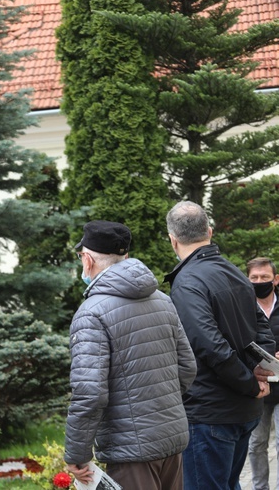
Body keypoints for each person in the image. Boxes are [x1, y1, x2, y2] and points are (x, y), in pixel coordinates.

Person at [64, 220, 197, 490]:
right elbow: (187, 367)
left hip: (130, 451)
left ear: (87, 259)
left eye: (81, 257)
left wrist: (76, 454)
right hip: (170, 439)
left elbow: (89, 393)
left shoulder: (91, 312)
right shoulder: (162, 299)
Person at [163, 201, 274, 489]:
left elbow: (209, 345)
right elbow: (262, 327)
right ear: (209, 232)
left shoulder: (187, 282)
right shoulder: (235, 271)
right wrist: (259, 371)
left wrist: (251, 382)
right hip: (240, 409)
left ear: (172, 240)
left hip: (210, 414)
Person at [246, 257, 279, 490]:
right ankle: (260, 488)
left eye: (264, 277)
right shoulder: (242, 308)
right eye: (254, 278)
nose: (259, 282)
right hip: (257, 385)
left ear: (275, 280)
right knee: (256, 443)